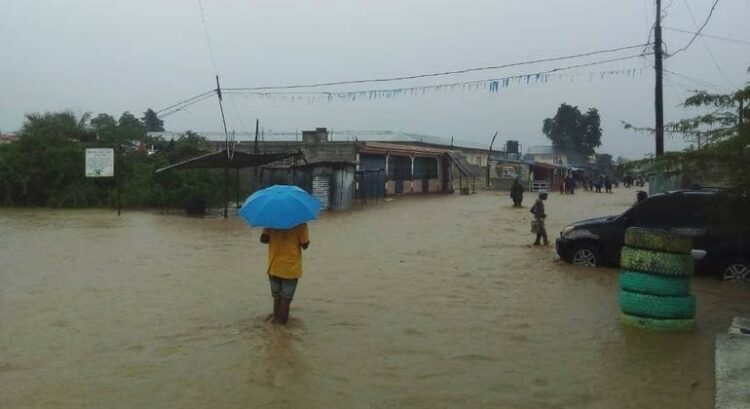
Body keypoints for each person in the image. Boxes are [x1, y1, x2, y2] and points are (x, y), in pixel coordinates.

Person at [260, 223, 310, 325]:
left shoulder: (271, 220)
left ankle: (275, 324)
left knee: (277, 297)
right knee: (286, 299)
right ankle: (281, 331)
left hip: (274, 266)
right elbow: (305, 245)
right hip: (290, 268)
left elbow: (263, 239)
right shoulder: (300, 222)